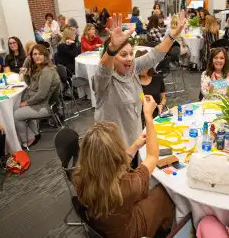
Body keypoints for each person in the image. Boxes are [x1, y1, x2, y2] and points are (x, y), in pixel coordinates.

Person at [72, 96, 175, 238]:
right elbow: (152, 156)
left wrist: (135, 146)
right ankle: (169, 230)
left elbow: (105, 163)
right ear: (116, 154)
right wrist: (148, 116)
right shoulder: (126, 186)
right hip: (128, 232)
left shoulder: (79, 175)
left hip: (106, 223)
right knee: (165, 194)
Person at [92, 10, 186, 149]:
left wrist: (172, 36)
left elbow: (154, 55)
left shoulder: (132, 68)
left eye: (131, 53)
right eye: (123, 55)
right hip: (112, 149)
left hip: (135, 141)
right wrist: (112, 49)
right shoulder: (104, 80)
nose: (129, 58)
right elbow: (103, 70)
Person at [14, 44, 60, 148]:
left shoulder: (46, 71)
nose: (37, 56)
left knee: (15, 115)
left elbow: (41, 95)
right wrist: (26, 73)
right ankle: (35, 134)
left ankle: (30, 139)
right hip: (39, 102)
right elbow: (30, 84)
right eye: (34, 54)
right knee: (19, 107)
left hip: (44, 106)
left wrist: (27, 103)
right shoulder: (39, 68)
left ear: (45, 56)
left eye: (40, 54)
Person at [138, 50, 166, 122]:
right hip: (139, 116)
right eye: (139, 66)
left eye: (144, 66)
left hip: (155, 114)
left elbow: (163, 98)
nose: (142, 69)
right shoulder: (134, 81)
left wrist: (161, 105)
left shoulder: (157, 78)